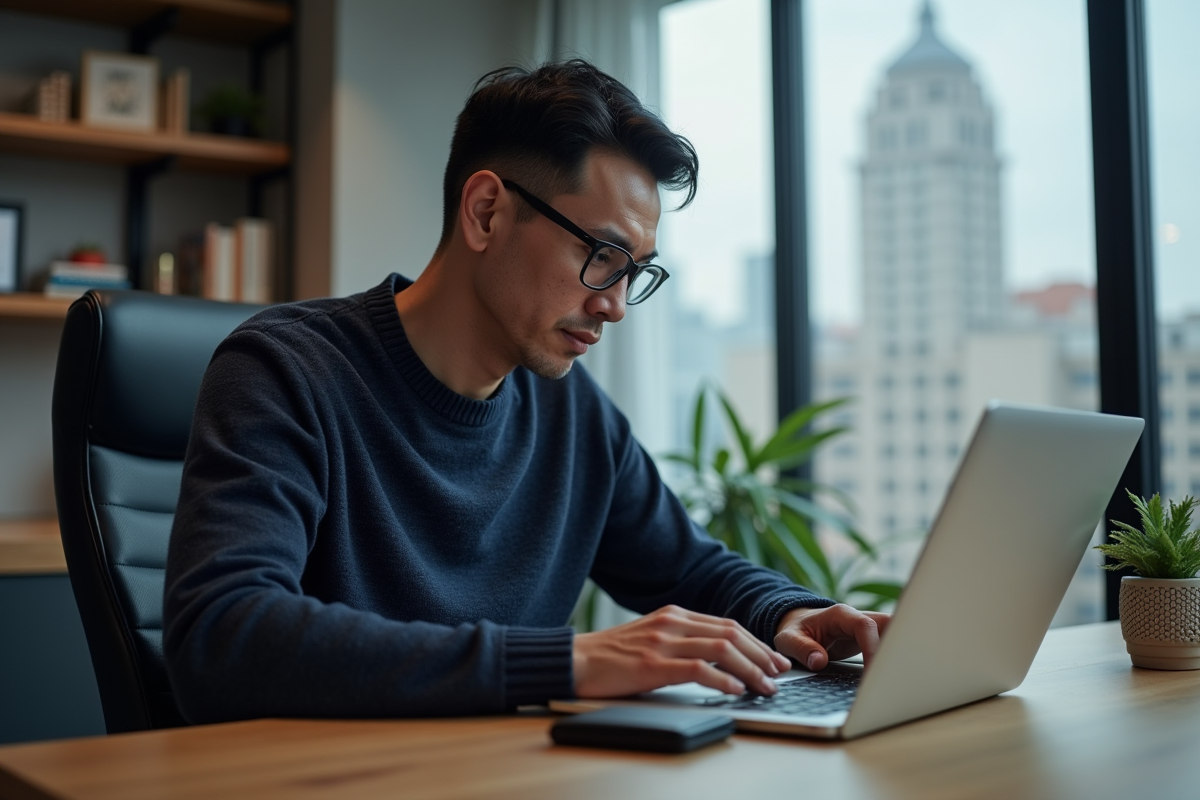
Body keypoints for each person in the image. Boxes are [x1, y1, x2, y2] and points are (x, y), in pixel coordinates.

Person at [163, 60, 889, 724]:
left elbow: (687, 565)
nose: (615, 306)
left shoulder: (572, 413)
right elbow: (225, 633)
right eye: (601, 257)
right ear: (486, 213)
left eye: (636, 272)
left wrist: (790, 611)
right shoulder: (287, 371)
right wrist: (569, 664)